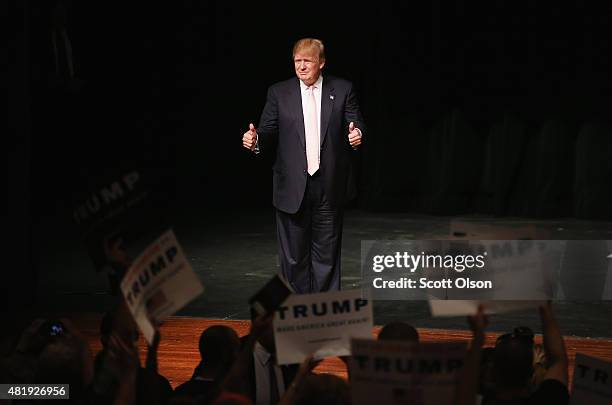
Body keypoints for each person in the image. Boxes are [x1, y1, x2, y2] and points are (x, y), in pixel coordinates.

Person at [242, 37, 366, 293]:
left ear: (321, 62)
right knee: (293, 259)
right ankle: (296, 315)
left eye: (307, 61)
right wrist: (255, 141)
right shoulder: (279, 92)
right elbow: (267, 132)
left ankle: (326, 315)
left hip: (328, 186)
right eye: (297, 61)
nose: (301, 67)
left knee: (327, 258)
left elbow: (355, 125)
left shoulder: (342, 89)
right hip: (292, 187)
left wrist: (357, 136)